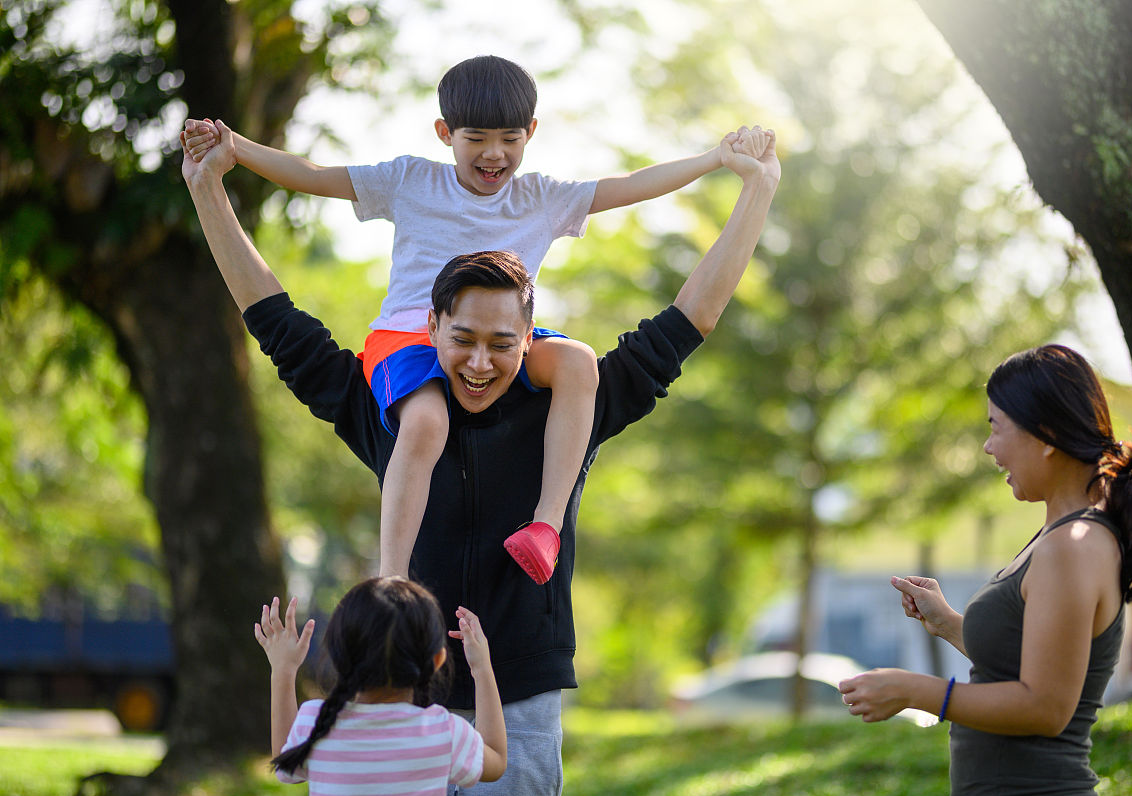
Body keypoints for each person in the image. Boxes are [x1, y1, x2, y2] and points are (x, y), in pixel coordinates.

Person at [182, 115, 778, 796]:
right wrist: (208, 191)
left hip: (519, 692)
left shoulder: (566, 412)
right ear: (429, 328)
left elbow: (688, 320)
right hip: (398, 697)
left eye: (502, 343)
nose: (478, 362)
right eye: (462, 338)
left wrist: (756, 190)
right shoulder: (394, 409)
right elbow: (277, 323)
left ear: (531, 336)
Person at [182, 54, 731, 584]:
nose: (494, 155)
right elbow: (315, 174)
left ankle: (545, 525)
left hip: (505, 337)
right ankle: (392, 576)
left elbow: (628, 186)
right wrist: (237, 149)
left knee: (578, 363)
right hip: (409, 338)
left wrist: (713, 159)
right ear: (445, 132)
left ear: (531, 132)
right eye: (477, 139)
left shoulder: (540, 197)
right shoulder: (411, 182)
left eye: (509, 140)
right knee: (427, 422)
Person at [837, 344, 1132, 796]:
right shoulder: (1059, 536)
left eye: (996, 428)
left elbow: (1044, 707)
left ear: (1044, 436)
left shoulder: (1072, 548)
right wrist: (946, 623)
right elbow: (1025, 662)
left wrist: (915, 691)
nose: (988, 446)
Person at [254, 579, 506, 795]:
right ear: (436, 662)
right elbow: (496, 758)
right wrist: (482, 668)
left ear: (339, 657)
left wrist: (283, 671)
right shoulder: (443, 733)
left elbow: (284, 763)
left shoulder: (315, 722)